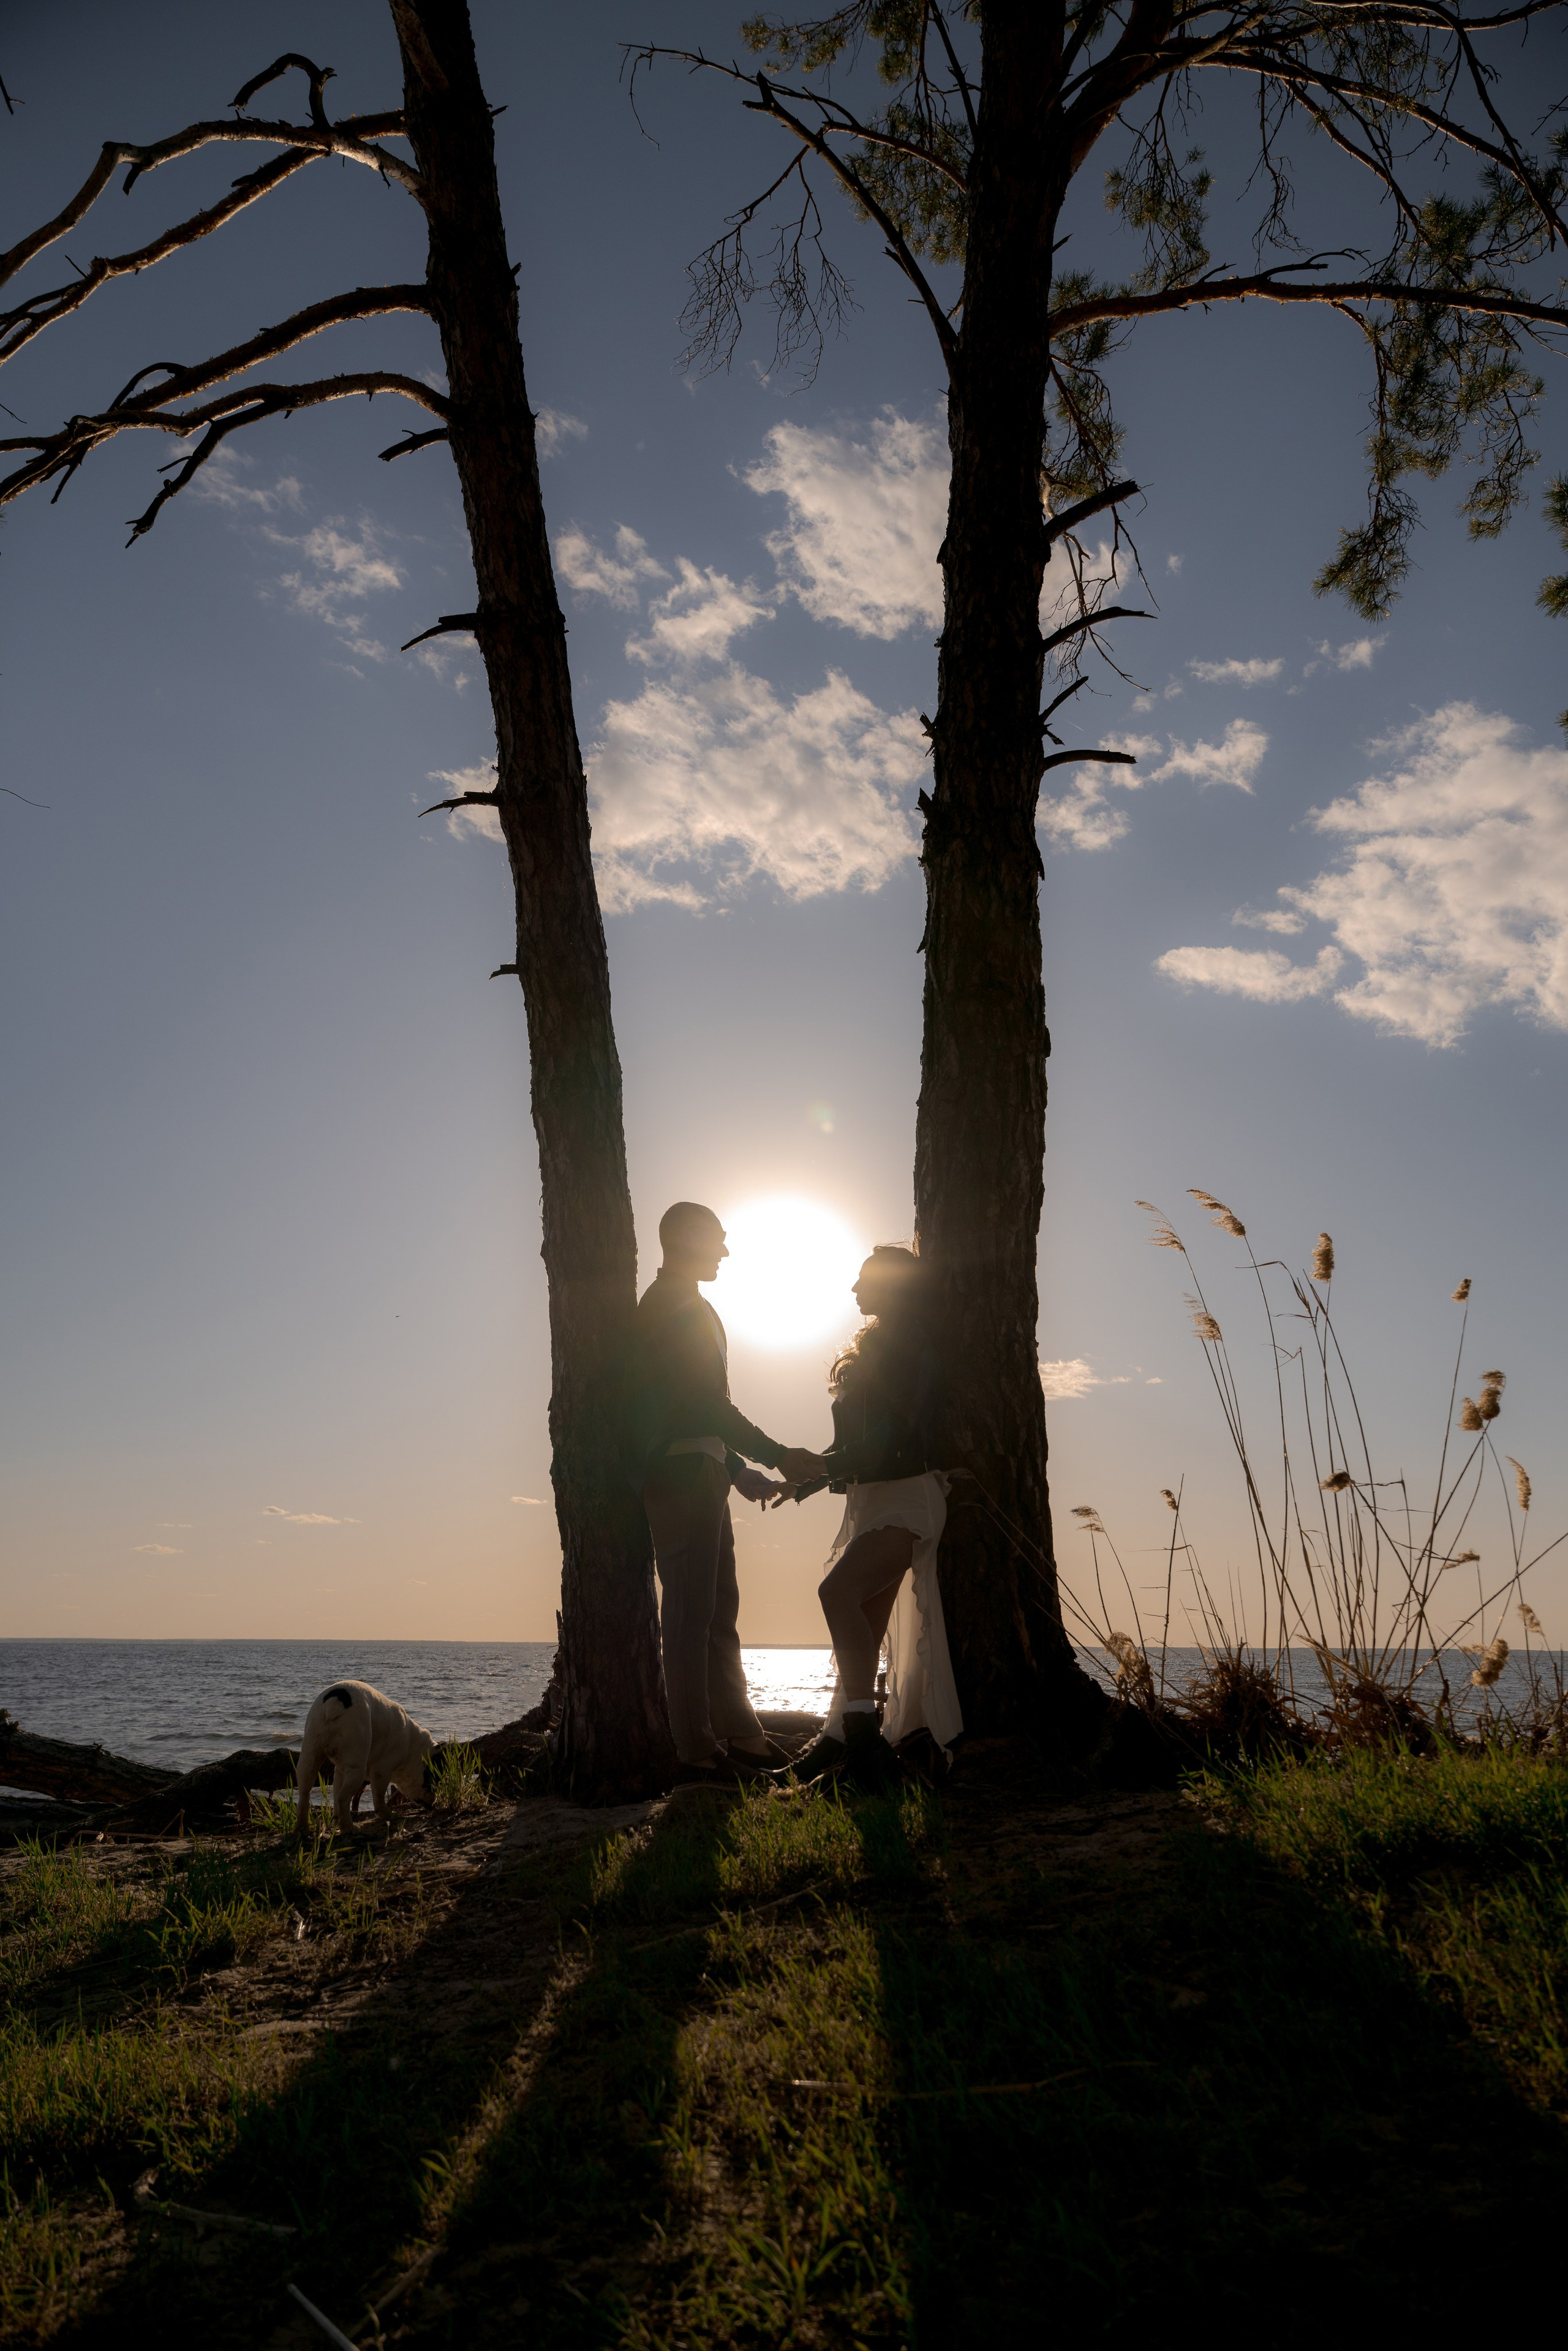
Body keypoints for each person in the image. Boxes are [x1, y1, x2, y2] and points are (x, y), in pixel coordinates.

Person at [625, 1201, 826, 1784]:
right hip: (679, 1476)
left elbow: (699, 1411)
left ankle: (740, 1733)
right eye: (718, 1239)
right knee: (689, 1616)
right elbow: (701, 1406)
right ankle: (694, 1752)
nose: (726, 1251)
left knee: (718, 1614)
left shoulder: (696, 1306)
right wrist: (777, 1453)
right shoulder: (666, 1307)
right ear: (685, 1239)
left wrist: (737, 1471)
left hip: (706, 1473)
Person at [782, 1245, 963, 1789]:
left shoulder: (909, 1349)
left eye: (865, 1280)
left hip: (906, 1497)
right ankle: (841, 1740)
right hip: (873, 1500)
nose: (855, 1290)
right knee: (865, 1621)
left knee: (835, 1594)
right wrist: (802, 1480)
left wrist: (808, 1474)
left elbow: (887, 1440)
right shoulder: (878, 1348)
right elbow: (856, 1446)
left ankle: (862, 1739)